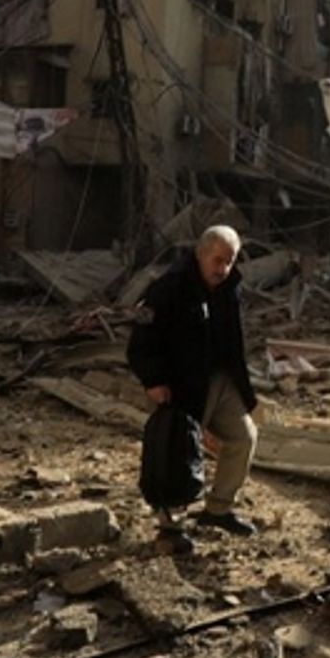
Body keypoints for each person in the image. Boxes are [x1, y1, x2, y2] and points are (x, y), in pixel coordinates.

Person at [126, 224, 260, 553]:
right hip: (179, 386)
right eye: (217, 260)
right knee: (173, 453)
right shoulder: (167, 289)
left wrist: (246, 392)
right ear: (200, 255)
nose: (223, 269)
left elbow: (234, 342)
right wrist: (153, 381)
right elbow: (140, 343)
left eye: (229, 261)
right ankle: (169, 528)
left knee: (244, 437)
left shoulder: (230, 288)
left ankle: (218, 510)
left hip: (220, 380)